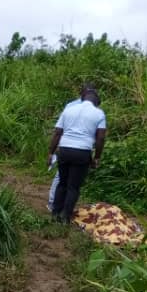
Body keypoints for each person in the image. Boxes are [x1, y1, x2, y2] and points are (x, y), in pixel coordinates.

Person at [48, 89, 106, 223]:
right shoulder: (98, 113)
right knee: (73, 186)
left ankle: (55, 214)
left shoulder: (68, 110)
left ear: (83, 98)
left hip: (64, 150)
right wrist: (96, 157)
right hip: (82, 152)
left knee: (62, 183)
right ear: (96, 102)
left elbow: (57, 132)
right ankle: (65, 217)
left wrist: (51, 152)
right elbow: (101, 138)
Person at [47, 85, 95, 209]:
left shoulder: (83, 106)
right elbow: (61, 128)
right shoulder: (74, 106)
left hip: (70, 146)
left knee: (65, 179)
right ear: (83, 94)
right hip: (72, 146)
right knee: (65, 180)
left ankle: (57, 207)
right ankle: (55, 204)